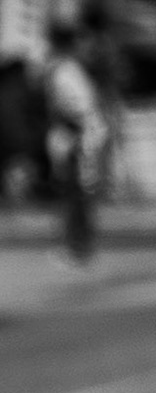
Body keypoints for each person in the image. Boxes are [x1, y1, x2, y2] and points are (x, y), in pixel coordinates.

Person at [39, 18, 100, 265]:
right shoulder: (67, 68)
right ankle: (78, 246)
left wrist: (74, 133)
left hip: (75, 138)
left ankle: (79, 248)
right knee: (75, 195)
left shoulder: (64, 71)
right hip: (75, 136)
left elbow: (78, 109)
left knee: (76, 195)